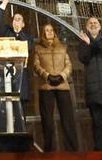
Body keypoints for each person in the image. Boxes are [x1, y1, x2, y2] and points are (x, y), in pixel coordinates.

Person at [32, 23, 78, 151]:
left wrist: (61, 76)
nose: (50, 32)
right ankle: (49, 150)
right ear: (43, 33)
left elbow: (68, 64)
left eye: (51, 30)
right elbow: (36, 65)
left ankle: (72, 149)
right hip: (46, 87)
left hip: (62, 86)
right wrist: (47, 76)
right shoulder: (38, 48)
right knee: (47, 121)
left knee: (67, 119)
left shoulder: (63, 47)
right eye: (47, 30)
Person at [77, 15, 102, 150]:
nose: (93, 24)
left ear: (99, 26)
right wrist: (90, 44)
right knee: (97, 124)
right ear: (87, 27)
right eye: (90, 23)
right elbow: (84, 58)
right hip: (93, 89)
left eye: (95, 22)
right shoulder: (83, 42)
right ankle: (99, 152)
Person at [0, 0, 35, 109]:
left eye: (19, 19)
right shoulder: (5, 32)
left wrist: (19, 33)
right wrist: (4, 3)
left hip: (20, 79)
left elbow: (29, 48)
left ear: (23, 24)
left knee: (19, 110)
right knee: (3, 110)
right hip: (4, 75)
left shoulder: (28, 37)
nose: (16, 21)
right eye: (14, 19)